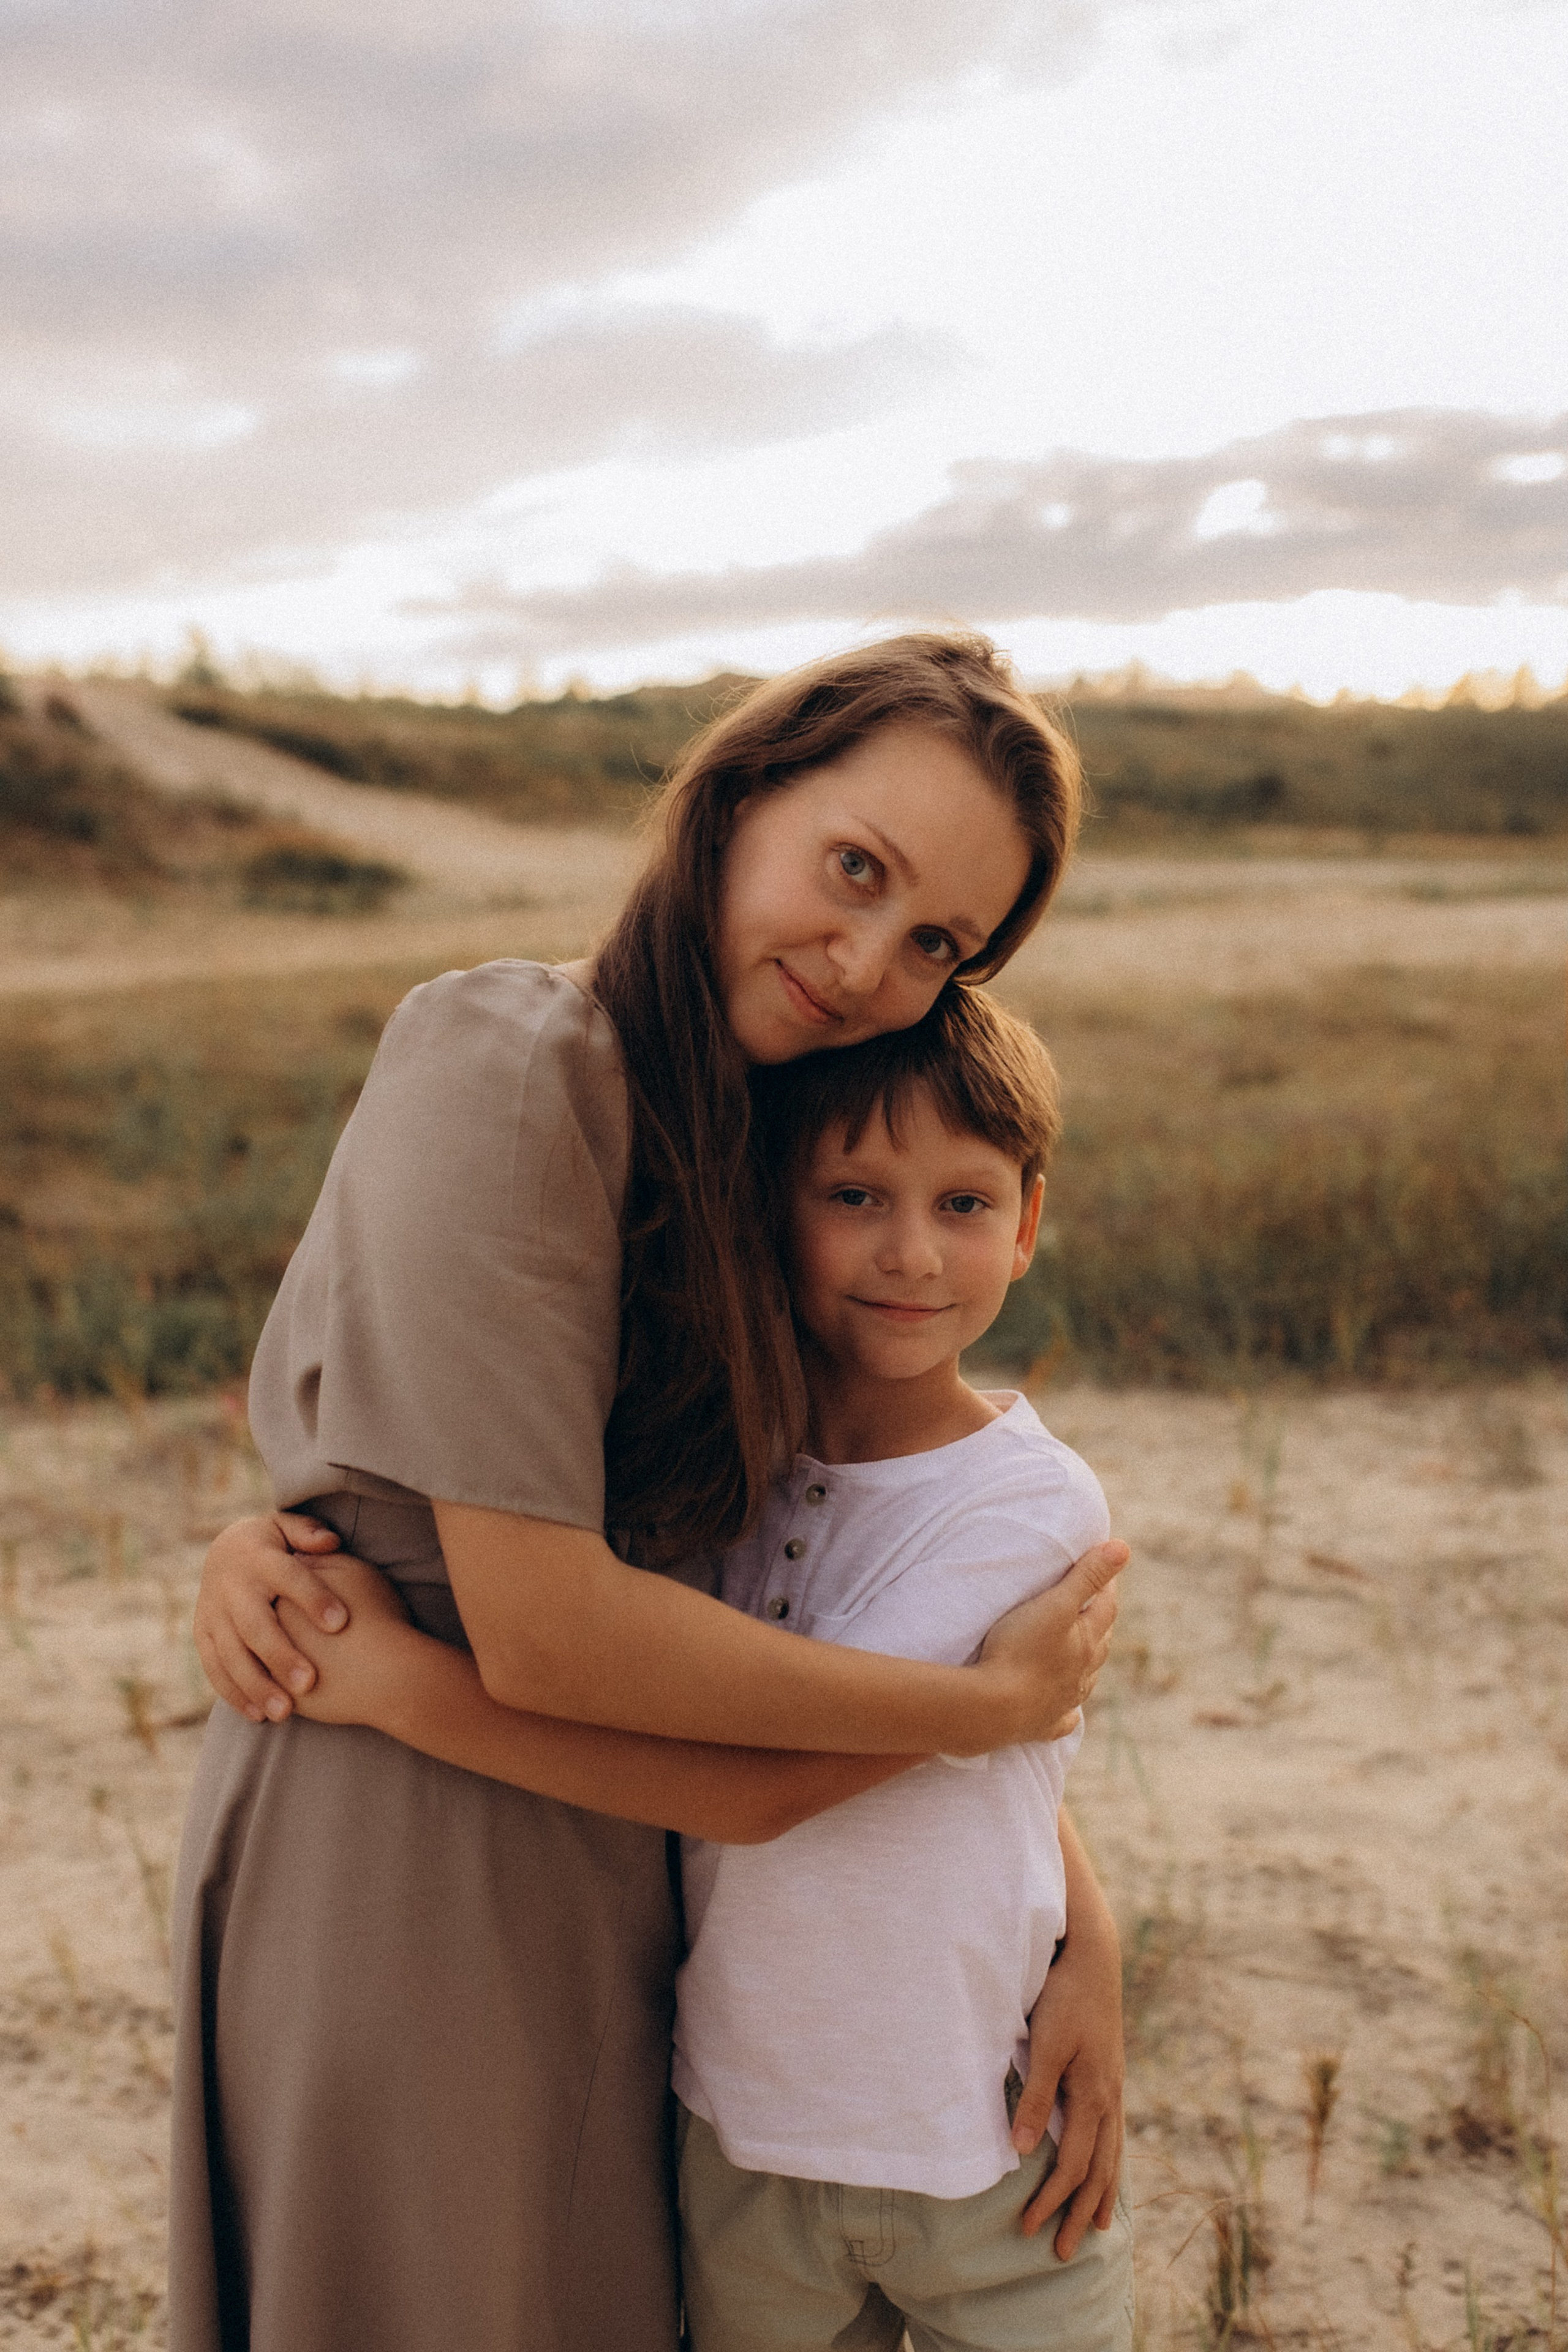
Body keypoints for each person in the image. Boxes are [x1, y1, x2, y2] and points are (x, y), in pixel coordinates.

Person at [176, 634, 1129, 2352]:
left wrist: (1083, 1927)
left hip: (648, 1859)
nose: (866, 964)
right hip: (418, 1840)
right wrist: (984, 1712)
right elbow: (541, 1625)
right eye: (857, 869)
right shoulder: (515, 1055)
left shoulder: (762, 1145)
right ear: (743, 790)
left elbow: (813, 1602)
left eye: (939, 942)